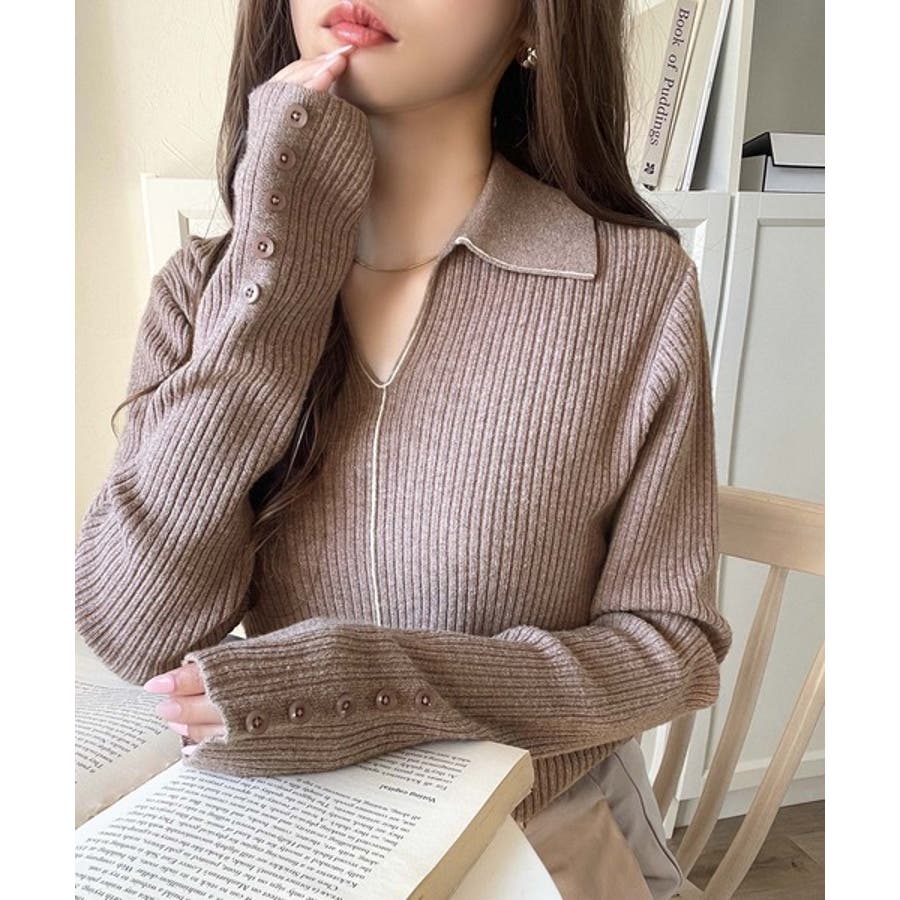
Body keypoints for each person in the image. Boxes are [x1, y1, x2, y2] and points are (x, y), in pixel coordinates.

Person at [74, 1, 733, 896]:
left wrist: (379, 686)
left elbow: (670, 648)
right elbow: (134, 632)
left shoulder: (634, 288)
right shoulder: (202, 292)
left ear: (533, 23)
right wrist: (273, 286)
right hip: (298, 841)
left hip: (541, 842)